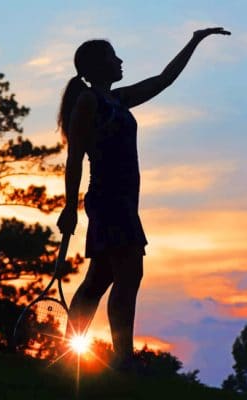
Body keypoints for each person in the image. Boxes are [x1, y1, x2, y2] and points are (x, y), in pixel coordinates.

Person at [56, 27, 230, 371]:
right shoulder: (88, 101)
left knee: (98, 279)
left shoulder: (116, 99)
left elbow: (164, 79)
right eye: (112, 56)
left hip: (121, 201)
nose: (120, 60)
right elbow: (74, 157)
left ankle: (67, 355)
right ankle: (123, 358)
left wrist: (194, 40)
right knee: (130, 270)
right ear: (95, 66)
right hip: (108, 200)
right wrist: (69, 207)